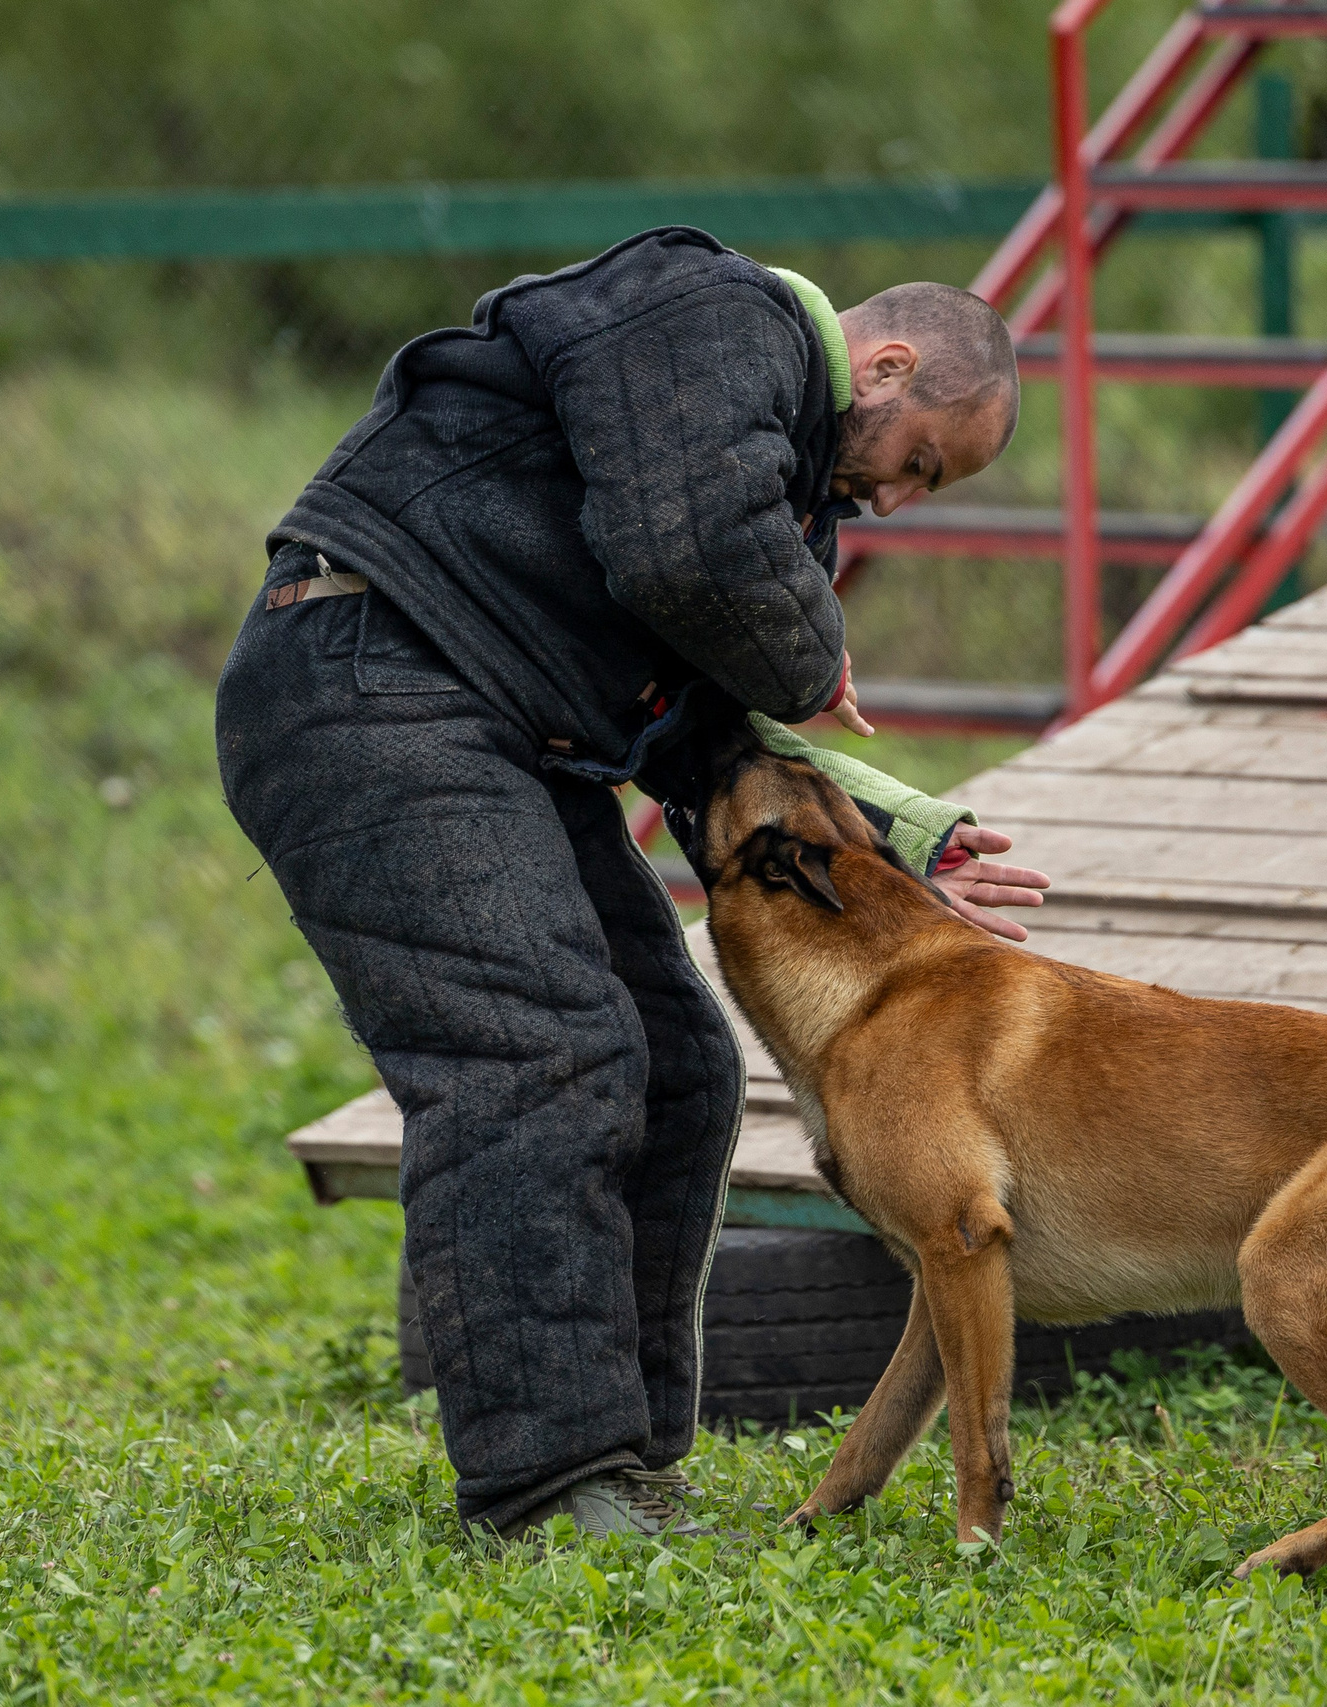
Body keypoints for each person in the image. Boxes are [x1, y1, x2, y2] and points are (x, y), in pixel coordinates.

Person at [214, 226, 1048, 1542]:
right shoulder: (709, 313)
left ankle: (624, 1466)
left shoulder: (760, 480)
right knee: (543, 1055)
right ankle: (545, 1487)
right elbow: (688, 560)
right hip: (367, 681)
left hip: (483, 717)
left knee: (675, 1066)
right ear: (882, 368)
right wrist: (810, 652)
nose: (895, 501)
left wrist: (903, 831)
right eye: (918, 464)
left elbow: (697, 732)